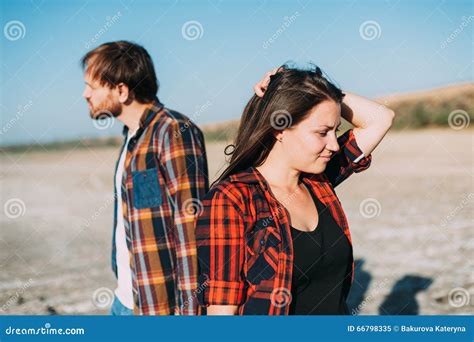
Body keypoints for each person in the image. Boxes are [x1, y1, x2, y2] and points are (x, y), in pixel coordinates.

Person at [195, 64, 394, 315]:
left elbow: (381, 118)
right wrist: (296, 93)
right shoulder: (231, 200)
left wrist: (316, 88)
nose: (333, 144)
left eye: (336, 131)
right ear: (279, 128)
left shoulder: (318, 181)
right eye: (322, 132)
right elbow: (222, 316)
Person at [81, 41, 209, 315]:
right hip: (125, 300)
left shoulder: (173, 131)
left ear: (121, 90)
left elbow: (190, 228)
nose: (85, 94)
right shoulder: (132, 138)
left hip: (159, 308)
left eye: (92, 87)